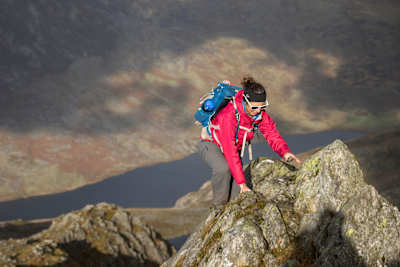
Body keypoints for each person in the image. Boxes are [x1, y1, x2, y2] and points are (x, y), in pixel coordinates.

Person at [197, 76, 301, 208]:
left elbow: (271, 134)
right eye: (254, 107)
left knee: (237, 191)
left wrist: (284, 151)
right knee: (223, 169)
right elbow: (230, 150)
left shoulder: (259, 115)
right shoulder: (229, 115)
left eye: (262, 107)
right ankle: (217, 208)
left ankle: (231, 210)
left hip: (233, 147)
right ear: (245, 101)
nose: (258, 111)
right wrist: (242, 183)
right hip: (210, 144)